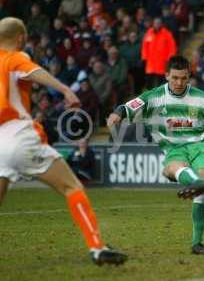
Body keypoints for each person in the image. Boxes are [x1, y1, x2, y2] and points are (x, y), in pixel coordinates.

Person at [0, 17, 127, 265]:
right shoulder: (13, 57)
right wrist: (66, 90)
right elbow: (32, 71)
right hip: (18, 135)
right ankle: (97, 247)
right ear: (21, 39)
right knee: (72, 187)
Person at [107, 56, 204, 255]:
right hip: (173, 148)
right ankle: (196, 183)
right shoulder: (153, 98)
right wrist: (116, 115)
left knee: (203, 184)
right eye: (174, 78)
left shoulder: (203, 98)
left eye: (183, 78)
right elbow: (127, 107)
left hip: (200, 146)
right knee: (171, 169)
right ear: (166, 76)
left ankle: (197, 243)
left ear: (189, 77)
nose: (179, 83)